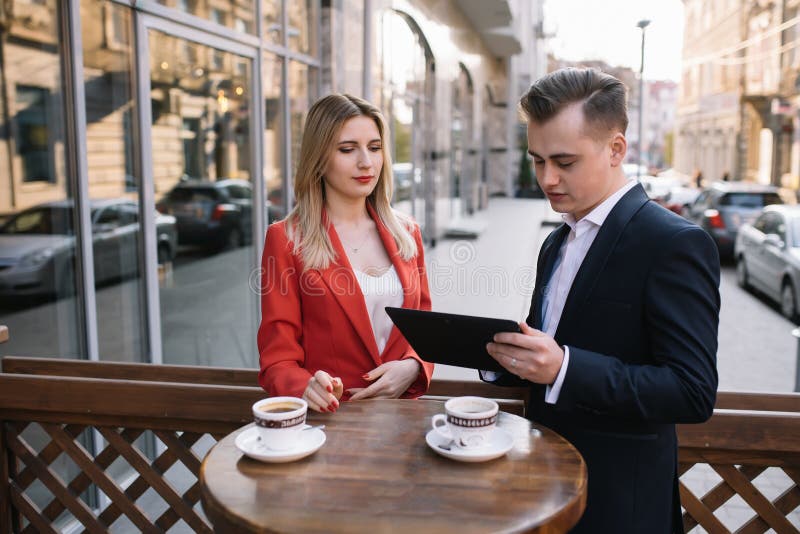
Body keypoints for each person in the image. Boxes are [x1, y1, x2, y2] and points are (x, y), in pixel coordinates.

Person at [484, 68, 720, 533]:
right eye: (537, 161)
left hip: (620, 508)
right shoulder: (556, 241)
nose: (547, 178)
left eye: (565, 162)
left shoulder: (674, 243)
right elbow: (552, 349)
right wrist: (501, 355)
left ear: (616, 149)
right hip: (544, 491)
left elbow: (691, 392)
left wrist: (564, 368)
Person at [257, 94, 434, 413]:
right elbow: (277, 361)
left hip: (402, 420)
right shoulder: (287, 240)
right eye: (347, 149)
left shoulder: (407, 233)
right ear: (319, 157)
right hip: (332, 423)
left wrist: (413, 367)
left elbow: (426, 331)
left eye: (375, 148)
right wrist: (305, 387)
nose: (366, 162)